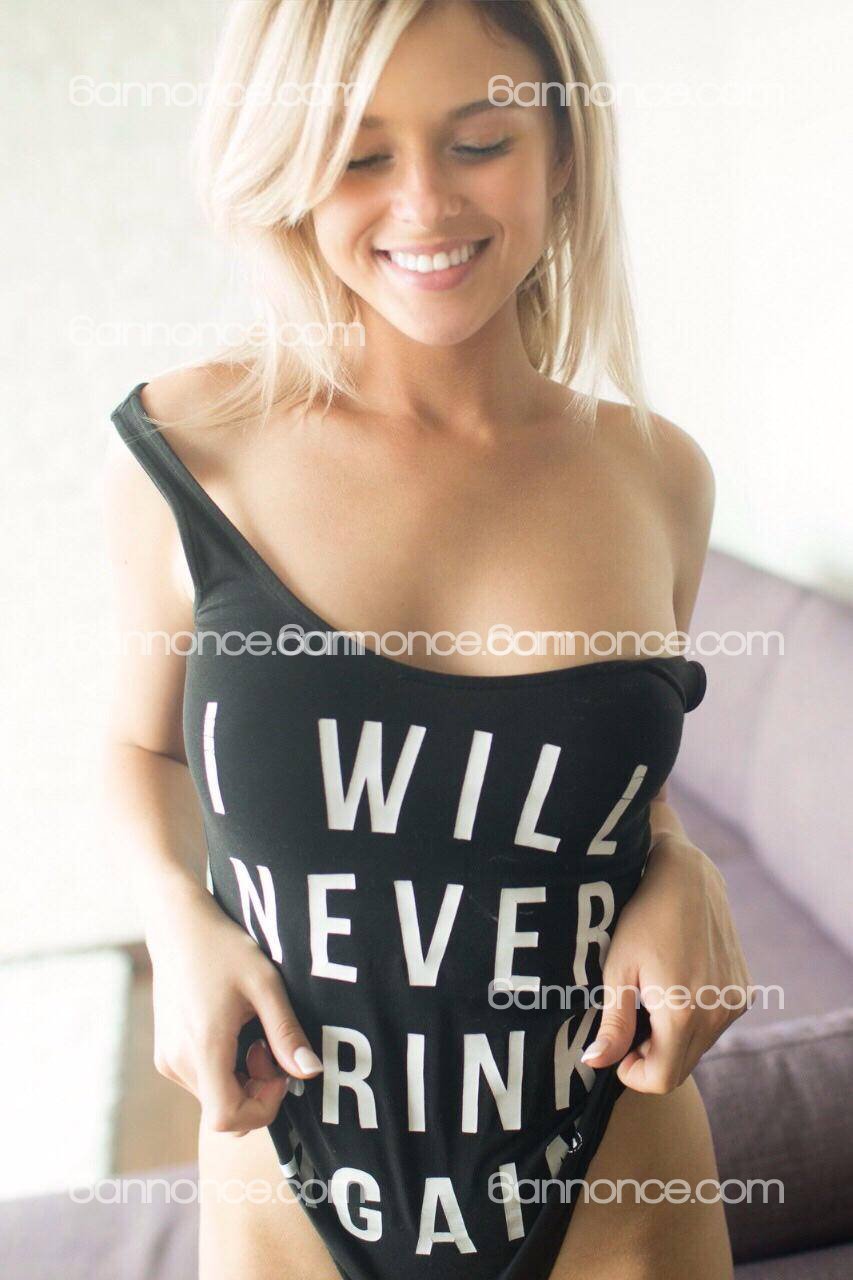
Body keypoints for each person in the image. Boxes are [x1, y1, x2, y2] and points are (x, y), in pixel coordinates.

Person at [102, 2, 751, 1277]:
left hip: (616, 1188)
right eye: (359, 153)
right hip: (290, 1194)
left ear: (563, 151)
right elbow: (142, 747)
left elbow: (607, 781)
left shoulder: (658, 474)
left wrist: (683, 867)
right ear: (287, 168)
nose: (424, 205)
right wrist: (176, 919)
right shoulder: (188, 455)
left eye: (478, 143)